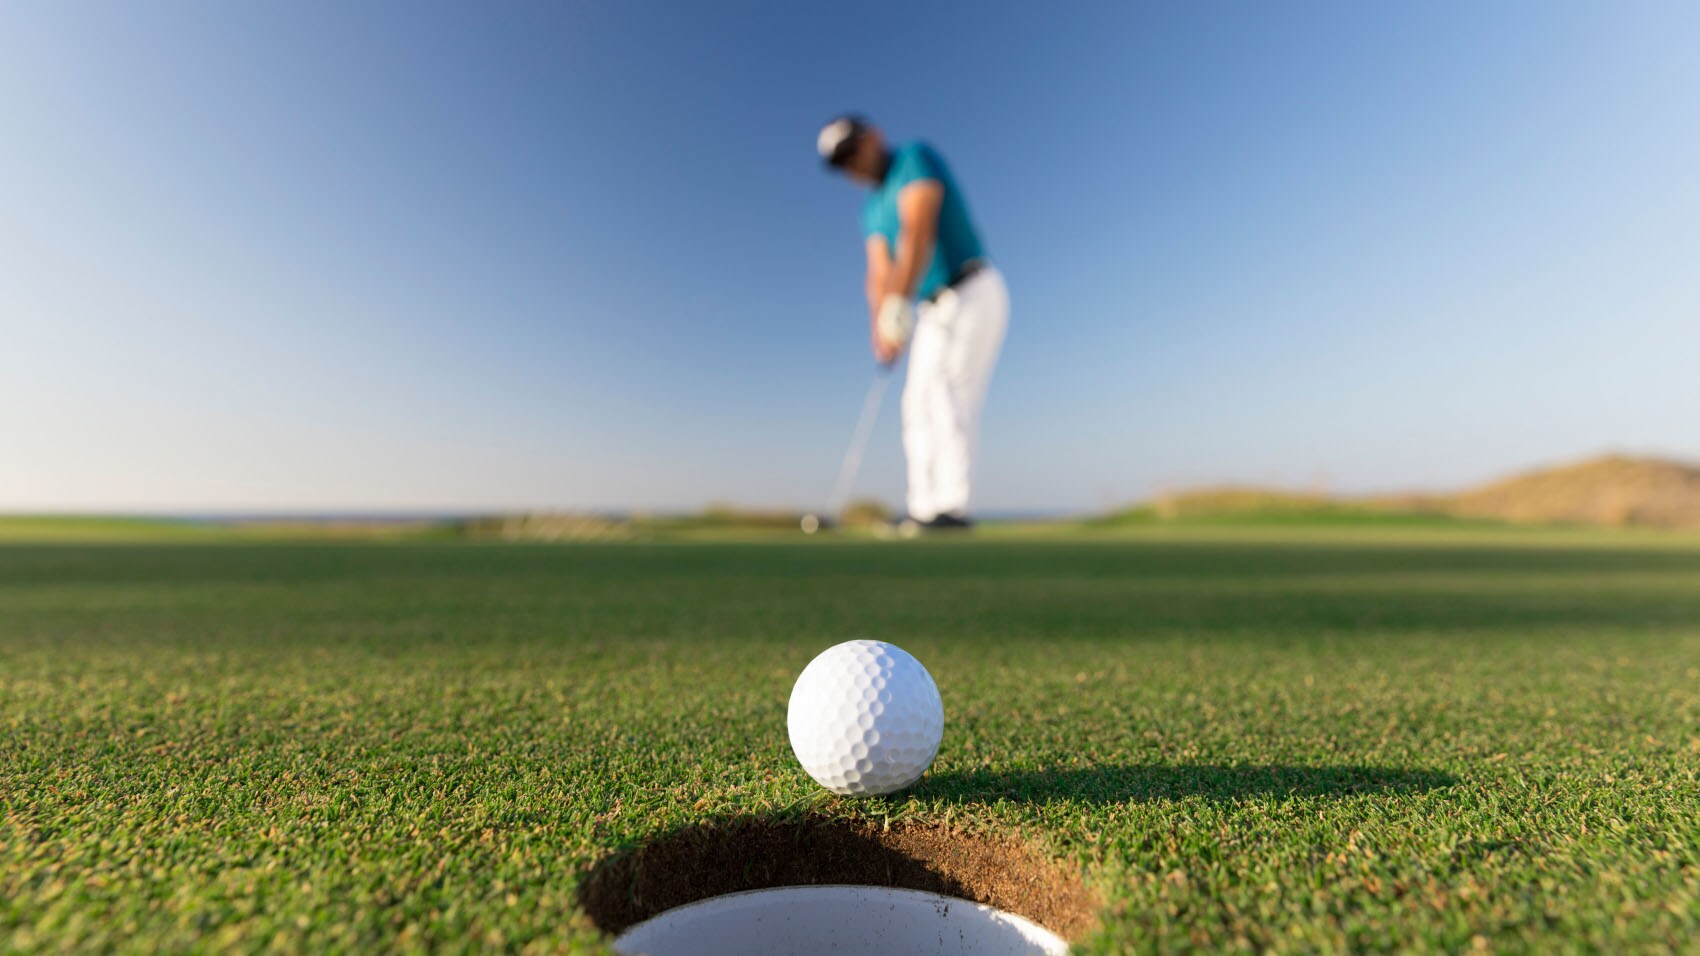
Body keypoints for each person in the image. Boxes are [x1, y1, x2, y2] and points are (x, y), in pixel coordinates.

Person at [817, 115, 1008, 531]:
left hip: (972, 290)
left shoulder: (913, 159)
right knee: (916, 405)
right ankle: (923, 509)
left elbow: (918, 231)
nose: (851, 164)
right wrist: (882, 329)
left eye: (852, 150)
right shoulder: (870, 210)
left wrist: (897, 304)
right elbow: (878, 274)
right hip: (928, 308)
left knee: (948, 396)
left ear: (873, 137)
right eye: (841, 162)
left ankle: (953, 507)